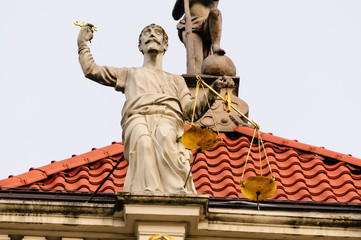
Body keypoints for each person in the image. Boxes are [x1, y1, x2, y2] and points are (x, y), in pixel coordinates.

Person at [77, 23, 234, 193]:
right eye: (147, 33)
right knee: (143, 143)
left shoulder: (176, 80)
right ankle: (147, 192)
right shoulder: (130, 74)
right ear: (140, 46)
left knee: (165, 135)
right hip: (138, 117)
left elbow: (191, 110)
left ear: (165, 45)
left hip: (168, 119)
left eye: (157, 32)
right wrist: (82, 45)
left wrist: (213, 91)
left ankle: (174, 191)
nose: (152, 34)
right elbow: (91, 70)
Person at [173, 0, 225, 74]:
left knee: (215, 13)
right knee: (196, 61)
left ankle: (215, 45)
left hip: (207, 24)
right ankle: (196, 82)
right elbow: (176, 15)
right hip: (191, 25)